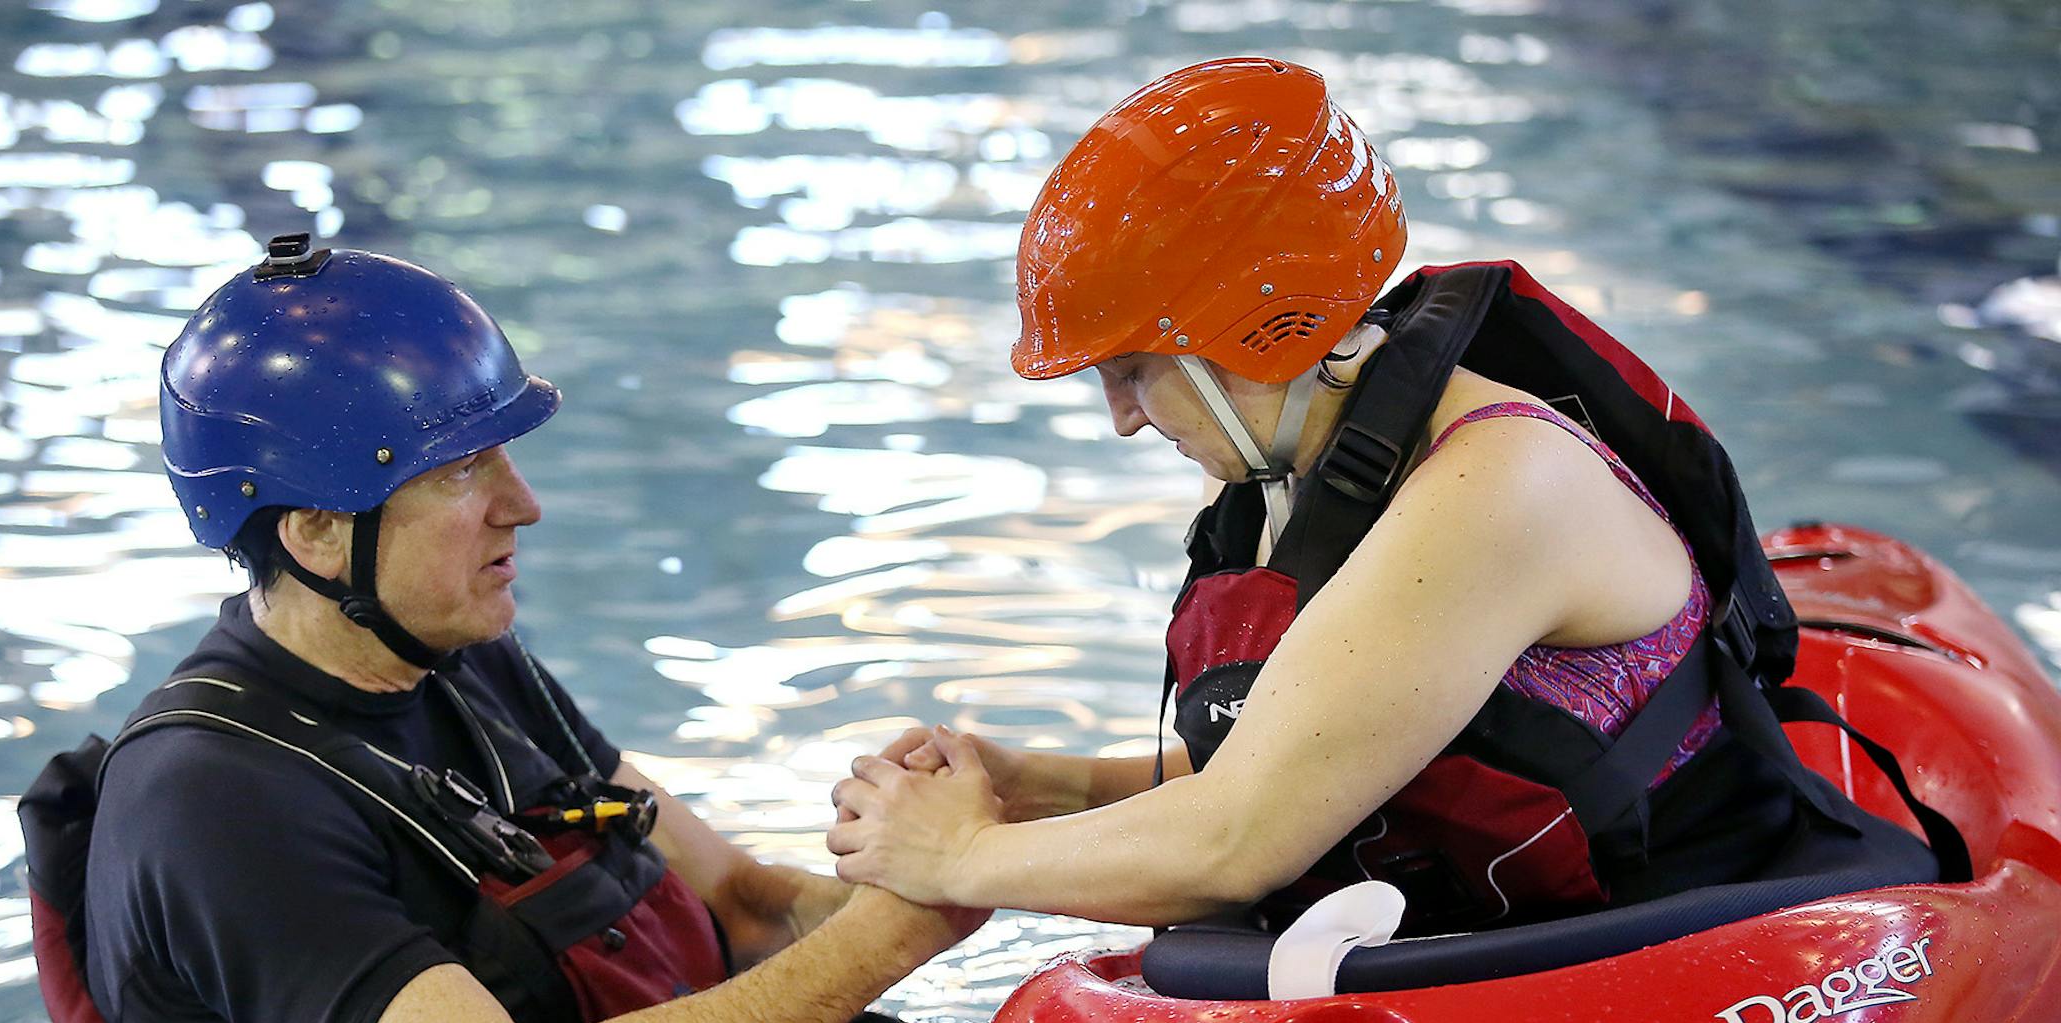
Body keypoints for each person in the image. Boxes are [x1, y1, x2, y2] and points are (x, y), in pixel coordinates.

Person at [827, 57, 1948, 938]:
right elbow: (1335, 753)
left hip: (1696, 936)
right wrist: (1044, 784)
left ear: (1248, 334)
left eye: (1132, 368)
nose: (1123, 415)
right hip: (1521, 925)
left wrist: (959, 859)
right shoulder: (1325, 457)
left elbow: (1237, 843)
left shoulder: (1498, 486)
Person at [22, 234, 981, 1023]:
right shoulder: (220, 805)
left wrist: (970, 866)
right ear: (312, 530)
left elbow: (740, 906)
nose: (523, 506)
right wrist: (890, 935)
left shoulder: (456, 657)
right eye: (462, 470)